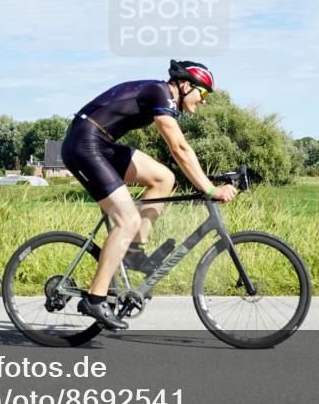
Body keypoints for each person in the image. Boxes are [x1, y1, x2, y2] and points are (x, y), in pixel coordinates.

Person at [61, 60, 238, 330]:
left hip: (101, 144)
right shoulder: (160, 93)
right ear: (185, 85)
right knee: (128, 220)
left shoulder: (161, 96)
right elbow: (179, 148)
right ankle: (95, 299)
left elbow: (181, 152)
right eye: (202, 93)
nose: (204, 101)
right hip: (83, 146)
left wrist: (208, 181)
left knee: (164, 178)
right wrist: (210, 189)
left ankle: (132, 250)